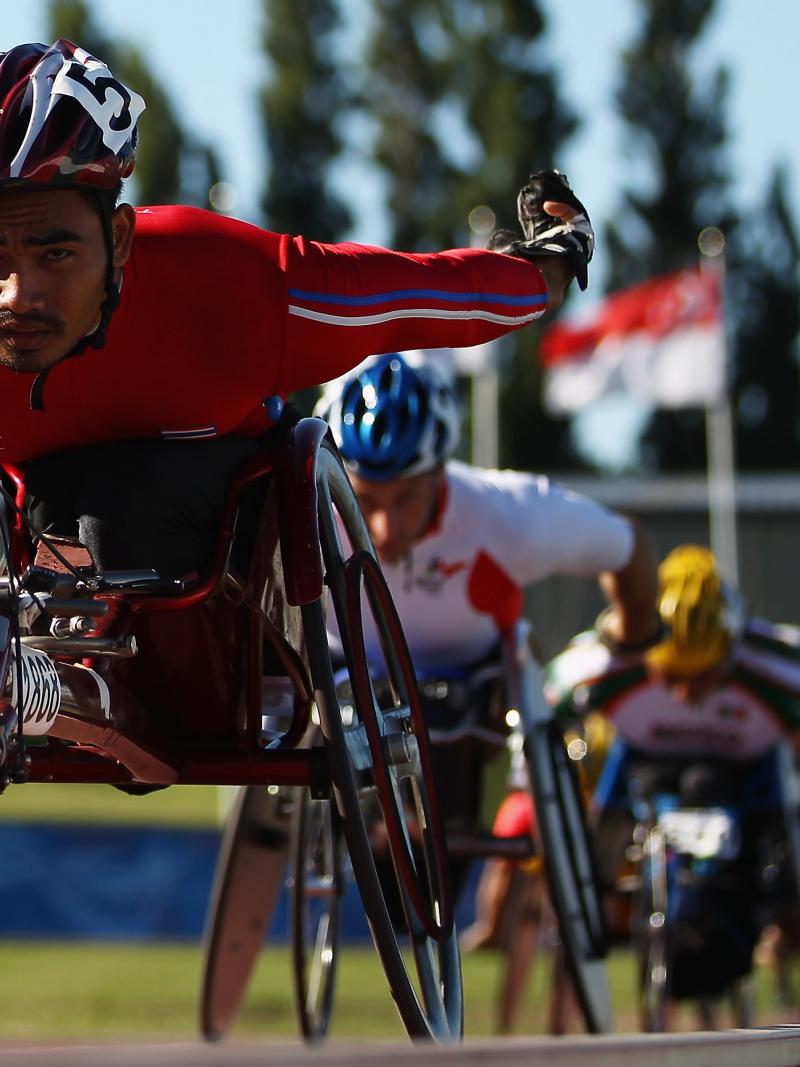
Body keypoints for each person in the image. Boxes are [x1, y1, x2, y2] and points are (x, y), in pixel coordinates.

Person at [0, 39, 595, 582]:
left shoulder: (224, 286)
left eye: (56, 253)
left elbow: (430, 296)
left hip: (191, 501)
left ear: (121, 240)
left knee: (122, 507)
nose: (18, 295)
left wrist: (547, 269)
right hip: (36, 493)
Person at [315, 350, 661, 910]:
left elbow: (629, 548)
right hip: (347, 682)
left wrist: (638, 637)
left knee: (448, 707)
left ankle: (423, 829)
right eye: (366, 498)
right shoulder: (305, 513)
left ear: (440, 471)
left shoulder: (505, 515)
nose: (385, 526)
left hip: (471, 698)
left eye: (406, 497)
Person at [542, 544, 800, 1025]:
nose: (685, 696)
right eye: (671, 677)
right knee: (587, 870)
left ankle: (774, 930)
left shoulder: (778, 669)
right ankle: (582, 936)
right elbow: (541, 703)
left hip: (744, 777)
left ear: (731, 653)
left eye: (702, 678)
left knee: (783, 868)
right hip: (643, 767)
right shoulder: (604, 662)